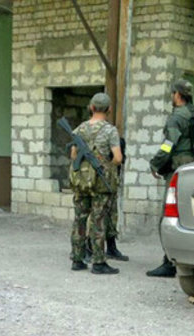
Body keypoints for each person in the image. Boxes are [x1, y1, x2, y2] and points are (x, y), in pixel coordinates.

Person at [146, 78, 194, 277]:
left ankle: (169, 262)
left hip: (178, 168)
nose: (171, 97)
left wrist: (155, 163)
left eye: (172, 94)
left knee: (169, 214)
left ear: (177, 95)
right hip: (193, 166)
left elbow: (168, 145)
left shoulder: (176, 117)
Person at [70, 93, 123, 275]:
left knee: (80, 219)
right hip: (102, 183)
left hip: (81, 182)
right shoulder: (110, 131)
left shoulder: (80, 129)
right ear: (108, 110)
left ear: (91, 108)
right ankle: (98, 262)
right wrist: (105, 164)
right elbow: (118, 158)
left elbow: (73, 156)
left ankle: (77, 259)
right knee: (99, 221)